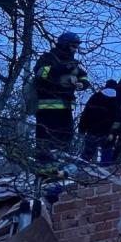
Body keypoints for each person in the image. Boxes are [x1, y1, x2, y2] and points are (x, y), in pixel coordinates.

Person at [33, 32, 90, 165]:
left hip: (66, 108)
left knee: (65, 141)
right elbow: (40, 73)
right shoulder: (48, 57)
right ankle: (44, 168)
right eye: (73, 46)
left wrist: (83, 84)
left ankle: (59, 168)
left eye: (76, 47)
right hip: (47, 109)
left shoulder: (74, 62)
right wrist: (62, 68)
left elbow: (84, 77)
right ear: (64, 45)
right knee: (46, 141)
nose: (75, 50)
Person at [79, 80, 119, 164]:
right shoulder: (116, 99)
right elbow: (116, 118)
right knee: (106, 155)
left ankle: (77, 171)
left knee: (86, 155)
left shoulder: (95, 97)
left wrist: (82, 128)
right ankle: (106, 173)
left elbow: (86, 113)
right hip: (107, 133)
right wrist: (113, 132)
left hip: (92, 131)